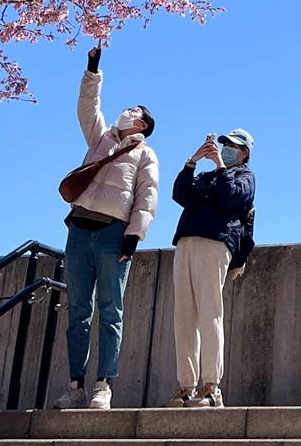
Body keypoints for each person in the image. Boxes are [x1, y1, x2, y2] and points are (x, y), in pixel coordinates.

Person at [54, 46, 159, 411]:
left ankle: (104, 384)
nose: (126, 110)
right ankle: (75, 385)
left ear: (143, 125)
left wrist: (135, 234)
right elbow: (87, 107)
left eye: (134, 111)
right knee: (78, 309)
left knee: (111, 309)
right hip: (79, 230)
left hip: (115, 234)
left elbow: (147, 196)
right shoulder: (101, 138)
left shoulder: (145, 155)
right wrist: (93, 68)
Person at [164, 128, 255, 409]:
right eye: (224, 143)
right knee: (184, 316)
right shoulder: (205, 177)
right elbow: (180, 194)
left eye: (233, 146)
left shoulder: (244, 177)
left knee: (209, 312)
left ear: (244, 153)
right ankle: (186, 387)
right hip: (187, 241)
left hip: (216, 242)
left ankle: (212, 387)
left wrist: (220, 166)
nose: (226, 147)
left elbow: (233, 199)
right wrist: (192, 162)